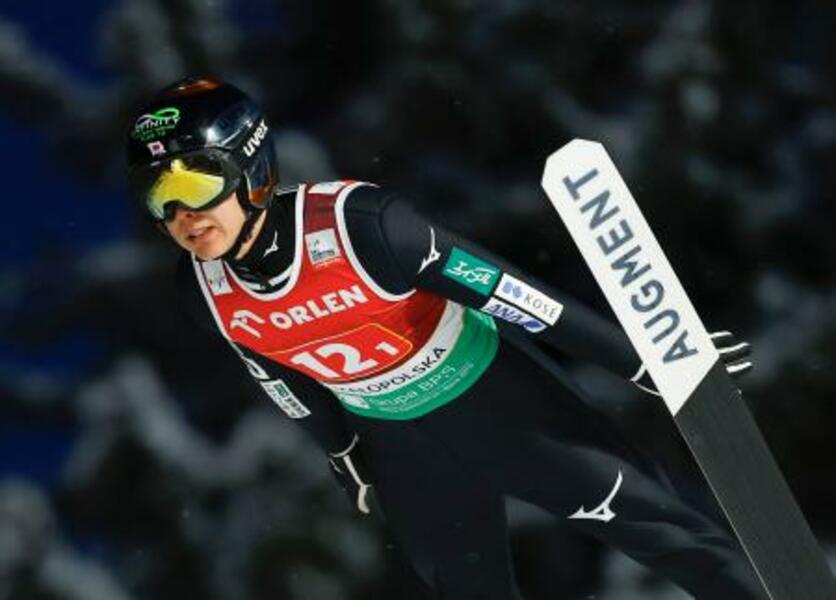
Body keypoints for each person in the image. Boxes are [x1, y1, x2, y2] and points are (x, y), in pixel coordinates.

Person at [126, 77, 765, 599]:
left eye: (195, 186)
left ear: (252, 170)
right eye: (160, 198)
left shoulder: (363, 228)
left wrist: (645, 361)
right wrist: (342, 452)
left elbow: (515, 296)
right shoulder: (204, 290)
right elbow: (276, 374)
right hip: (402, 448)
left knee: (660, 530)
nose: (182, 216)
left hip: (497, 401)